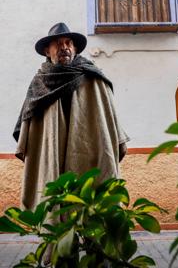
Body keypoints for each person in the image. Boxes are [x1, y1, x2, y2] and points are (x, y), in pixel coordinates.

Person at [13, 22, 129, 211]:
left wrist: (119, 139)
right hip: (52, 151)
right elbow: (29, 122)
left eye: (68, 43)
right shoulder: (40, 82)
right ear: (46, 51)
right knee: (54, 193)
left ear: (74, 48)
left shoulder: (93, 77)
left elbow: (107, 114)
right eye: (58, 44)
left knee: (92, 197)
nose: (64, 48)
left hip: (89, 150)